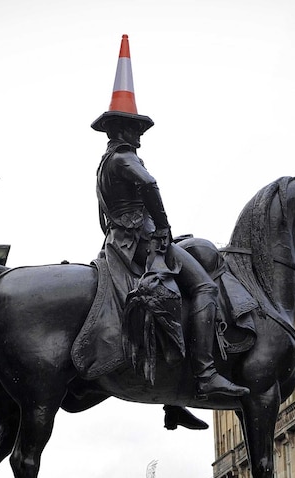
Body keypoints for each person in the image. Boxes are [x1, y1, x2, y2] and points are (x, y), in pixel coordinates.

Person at [91, 110, 250, 407]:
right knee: (205, 288)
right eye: (135, 128)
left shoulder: (104, 164)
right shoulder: (125, 158)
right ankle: (205, 374)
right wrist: (163, 227)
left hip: (120, 239)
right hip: (141, 238)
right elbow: (149, 186)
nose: (139, 135)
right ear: (120, 129)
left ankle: (174, 404)